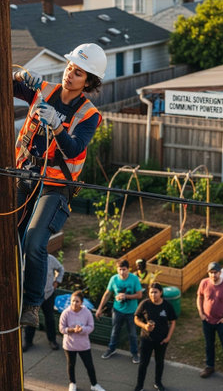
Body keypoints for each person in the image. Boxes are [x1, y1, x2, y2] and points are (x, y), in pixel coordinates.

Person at [13, 43, 107, 328]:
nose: (70, 75)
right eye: (69, 68)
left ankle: (31, 305)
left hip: (55, 187)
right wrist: (19, 77)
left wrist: (56, 126)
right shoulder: (44, 90)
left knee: (34, 240)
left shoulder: (89, 115)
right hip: (24, 174)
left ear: (88, 82)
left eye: (78, 73)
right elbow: (8, 85)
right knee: (9, 236)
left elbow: (75, 148)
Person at [197, 261, 223, 385]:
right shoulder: (204, 283)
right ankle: (210, 366)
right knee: (209, 344)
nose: (213, 275)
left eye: (216, 273)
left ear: (220, 272)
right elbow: (199, 297)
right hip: (207, 320)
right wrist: (201, 313)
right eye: (211, 273)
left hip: (221, 321)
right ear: (208, 273)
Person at [95, 259, 142, 363]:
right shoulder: (114, 279)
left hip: (131, 311)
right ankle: (111, 349)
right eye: (120, 269)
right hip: (118, 310)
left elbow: (139, 295)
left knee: (133, 333)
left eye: (124, 270)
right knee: (115, 331)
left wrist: (126, 296)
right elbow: (107, 294)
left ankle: (134, 353)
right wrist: (99, 308)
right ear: (117, 269)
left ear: (128, 269)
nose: (122, 272)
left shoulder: (134, 279)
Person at [59, 290, 106, 391]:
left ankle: (94, 384)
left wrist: (82, 330)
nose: (74, 304)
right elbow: (61, 329)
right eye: (72, 301)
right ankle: (72, 383)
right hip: (69, 345)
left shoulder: (87, 312)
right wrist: (72, 330)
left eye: (77, 301)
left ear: (81, 302)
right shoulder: (65, 313)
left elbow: (91, 327)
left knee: (89, 365)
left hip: (83, 345)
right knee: (71, 365)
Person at [134, 282, 177, 391]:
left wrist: (168, 338)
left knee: (160, 362)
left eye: (156, 292)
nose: (153, 295)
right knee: (143, 363)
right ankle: (139, 386)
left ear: (161, 293)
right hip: (146, 339)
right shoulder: (145, 304)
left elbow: (173, 322)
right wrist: (144, 325)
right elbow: (136, 318)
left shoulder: (167, 306)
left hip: (161, 340)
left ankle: (158, 383)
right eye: (151, 292)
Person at [23, 253, 64, 352]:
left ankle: (52, 340)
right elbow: (22, 273)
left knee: (49, 318)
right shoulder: (28, 259)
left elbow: (61, 269)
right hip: (33, 295)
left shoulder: (50, 259)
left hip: (48, 294)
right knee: (30, 318)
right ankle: (28, 341)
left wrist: (57, 281)